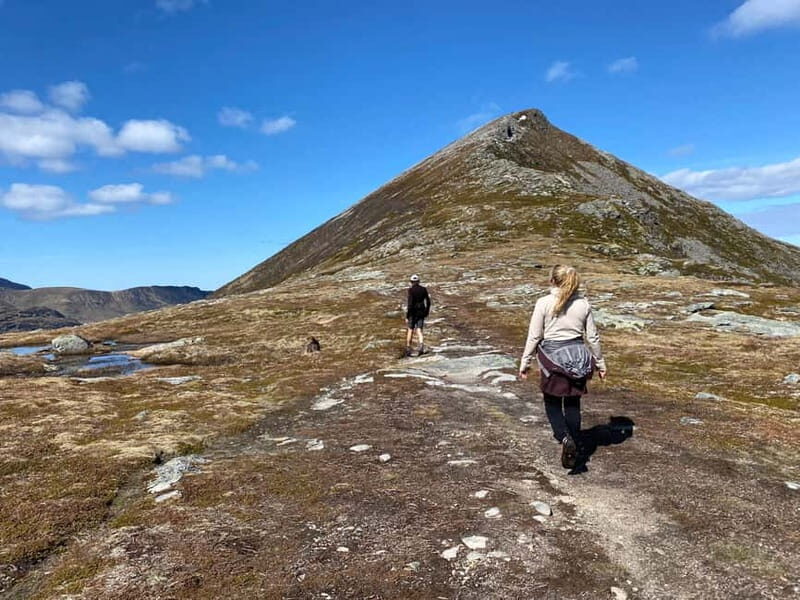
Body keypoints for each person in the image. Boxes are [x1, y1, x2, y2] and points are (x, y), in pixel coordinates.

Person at [518, 265, 607, 470]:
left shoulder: (544, 303)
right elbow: (592, 337)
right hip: (578, 356)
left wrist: (525, 362)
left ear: (552, 281)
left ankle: (564, 438)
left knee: (552, 402)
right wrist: (600, 363)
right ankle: (574, 439)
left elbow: (535, 335)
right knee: (573, 403)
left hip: (553, 358)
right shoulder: (583, 304)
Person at [405, 274, 431, 357]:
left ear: (411, 282)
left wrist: (407, 316)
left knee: (410, 329)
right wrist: (426, 311)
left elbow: (410, 304)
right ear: (419, 281)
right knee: (419, 329)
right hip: (421, 312)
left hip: (413, 312)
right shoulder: (423, 289)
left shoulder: (410, 290)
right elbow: (428, 301)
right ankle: (421, 346)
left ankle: (408, 348)